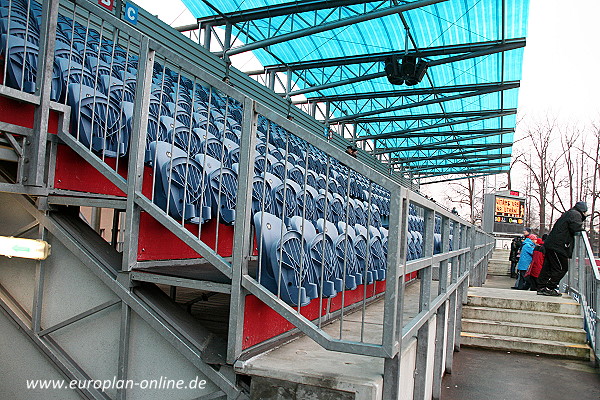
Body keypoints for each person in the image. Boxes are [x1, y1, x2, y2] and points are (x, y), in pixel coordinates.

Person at [537, 202, 588, 296]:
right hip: (558, 246)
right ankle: (549, 287)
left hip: (552, 244)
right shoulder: (575, 214)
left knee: (548, 267)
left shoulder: (569, 213)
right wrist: (583, 230)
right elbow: (576, 227)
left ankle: (541, 287)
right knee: (562, 268)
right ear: (583, 211)